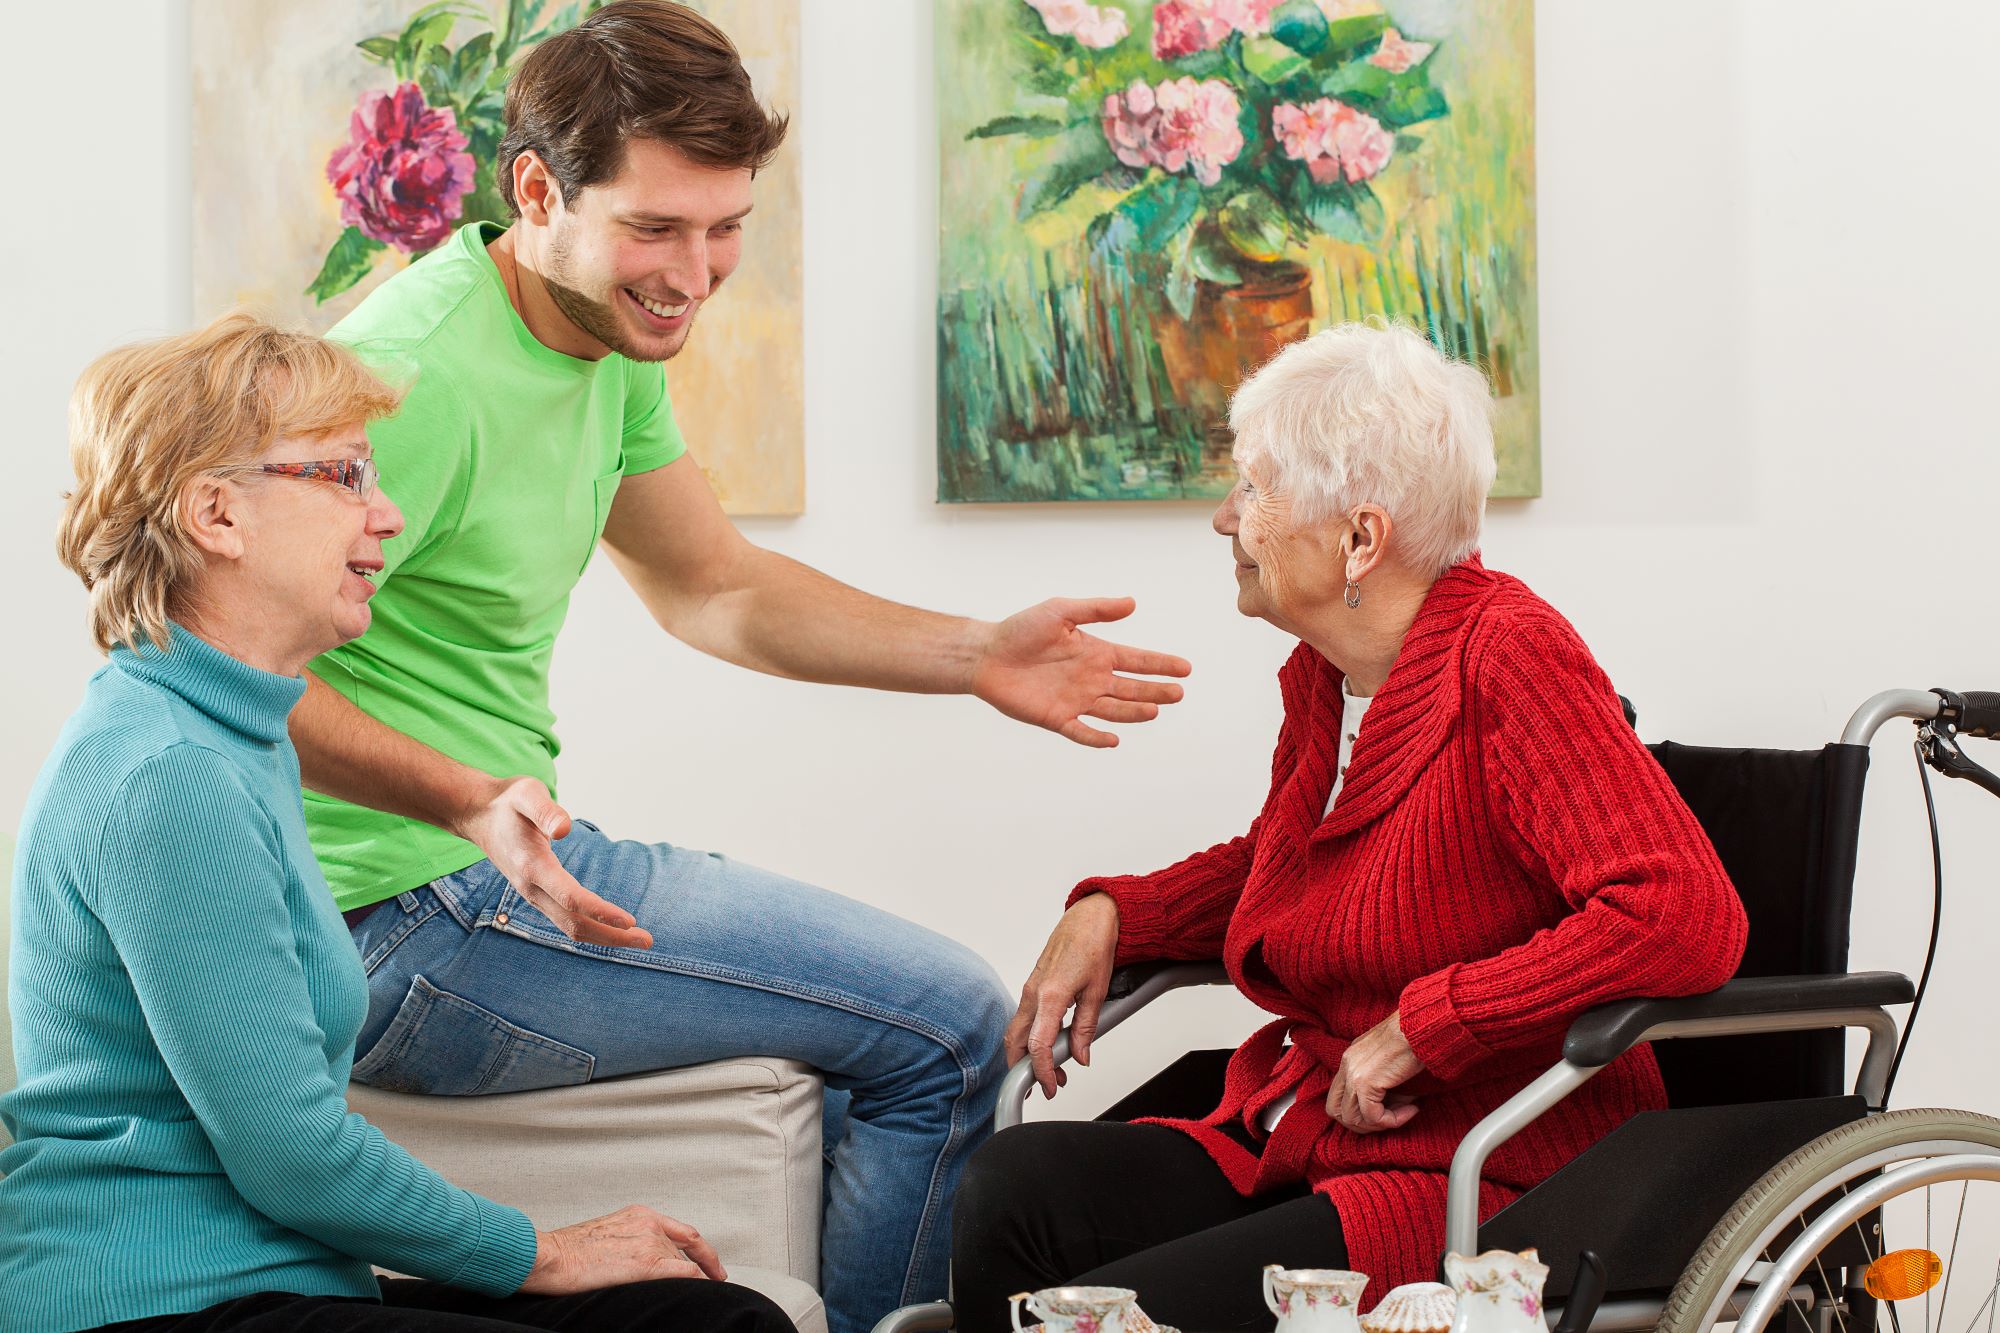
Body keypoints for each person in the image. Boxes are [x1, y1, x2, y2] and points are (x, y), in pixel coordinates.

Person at [285, 6, 1191, 1333]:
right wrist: (466, 798)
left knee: (866, 1068)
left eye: (726, 228)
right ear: (536, 191)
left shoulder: (599, 337)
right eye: (656, 228)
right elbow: (218, 661)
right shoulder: (408, 379)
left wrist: (978, 653)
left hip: (481, 878)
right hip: (403, 919)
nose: (696, 273)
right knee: (947, 1027)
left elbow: (712, 586)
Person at [1, 314, 793, 1333]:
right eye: (345, 476)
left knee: (704, 1321)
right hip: (157, 1301)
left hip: (271, 1278)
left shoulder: (230, 730)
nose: (386, 514)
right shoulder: (171, 772)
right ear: (216, 516)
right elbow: (291, 1150)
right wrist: (541, 1251)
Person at [955, 322, 1750, 1332]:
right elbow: (1297, 870)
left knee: (1129, 1312)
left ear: (1358, 539)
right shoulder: (1329, 680)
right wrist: (1120, 910)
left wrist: (1430, 1023)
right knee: (1017, 1184)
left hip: (1487, 1171)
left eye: (1250, 489)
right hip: (1314, 1132)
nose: (1220, 519)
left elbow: (1680, 912)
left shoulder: (1508, 655)